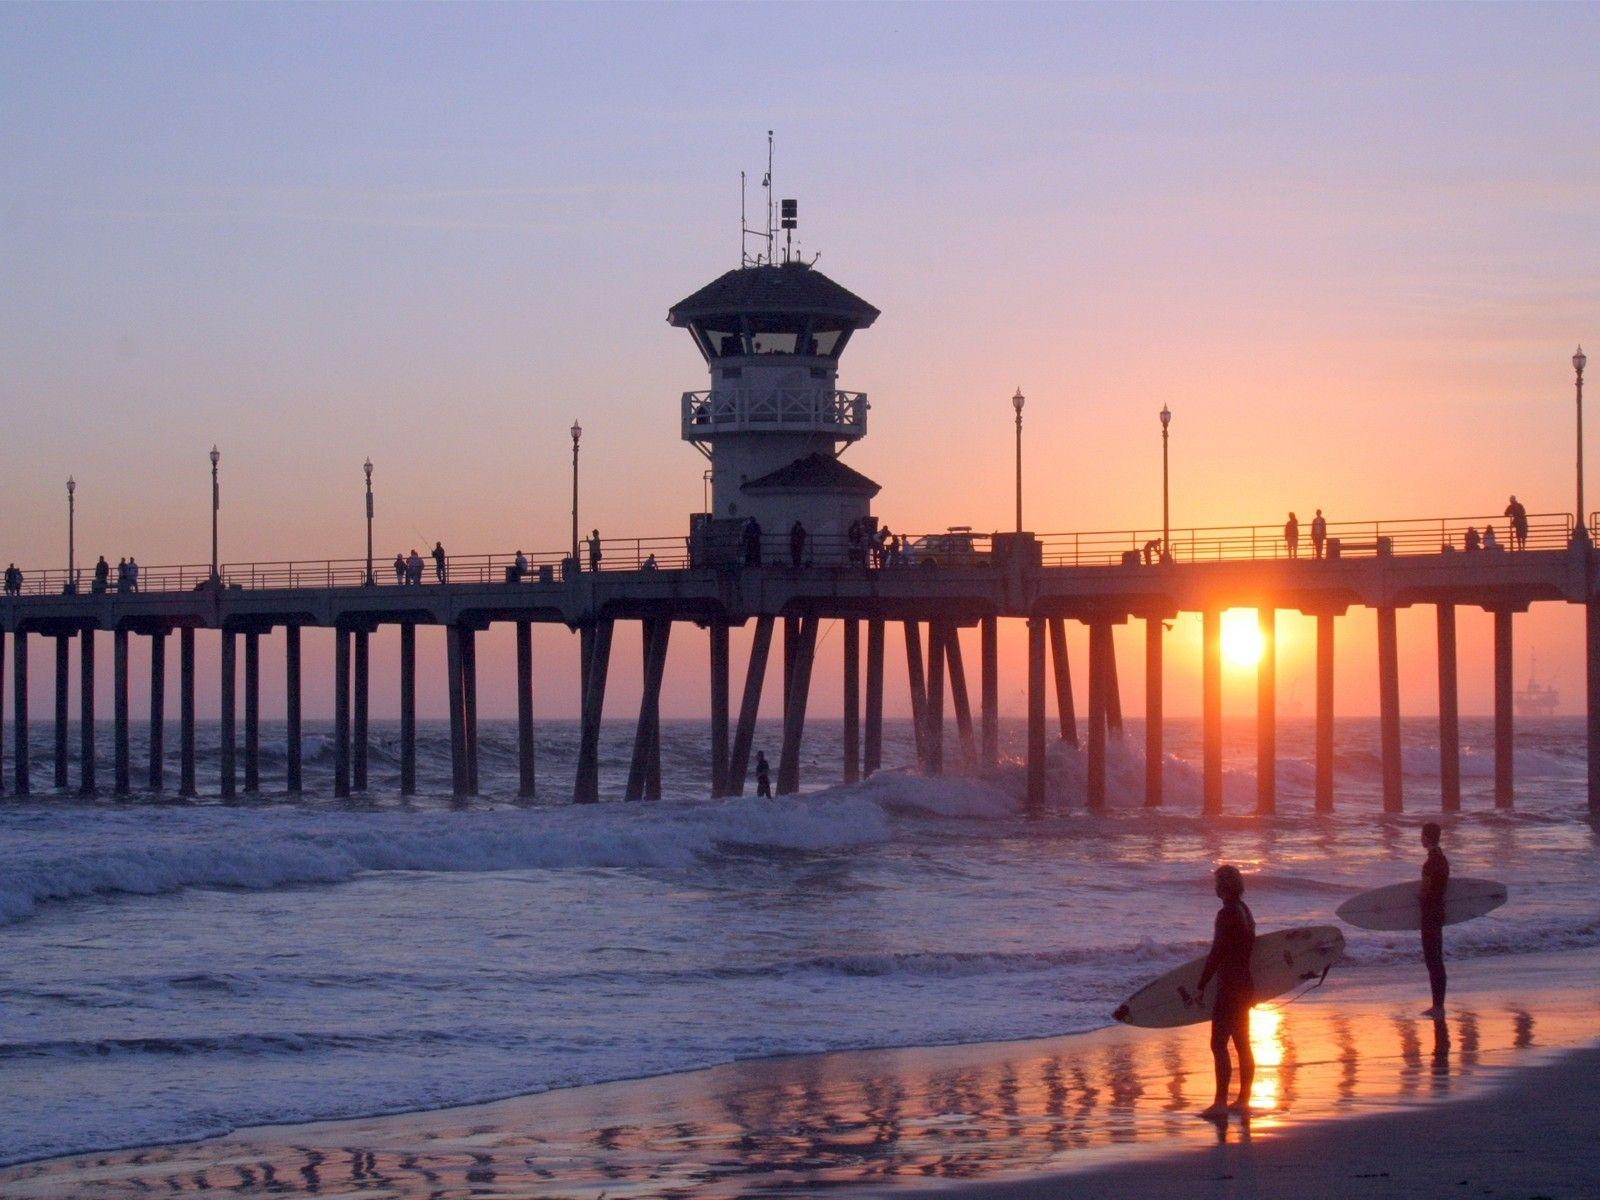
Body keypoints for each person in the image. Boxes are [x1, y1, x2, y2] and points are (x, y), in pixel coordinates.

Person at [1194, 864, 1256, 1119]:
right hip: (1245, 983)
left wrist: (1201, 984)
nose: (1215, 887)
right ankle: (1243, 1100)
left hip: (1229, 986)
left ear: (1223, 886)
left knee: (1218, 1043)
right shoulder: (1244, 911)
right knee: (1242, 1043)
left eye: (1218, 882)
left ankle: (1220, 1103)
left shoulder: (1226, 914)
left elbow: (1217, 952)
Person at [1420, 822, 1450, 1018]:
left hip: (1430, 915)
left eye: (1422, 835)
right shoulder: (1443, 860)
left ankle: (1437, 1007)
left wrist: (1418, 899)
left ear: (1428, 837)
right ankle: (1438, 1005)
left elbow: (1426, 892)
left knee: (1433, 961)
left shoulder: (1430, 864)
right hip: (1439, 912)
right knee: (1437, 959)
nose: (1420, 838)